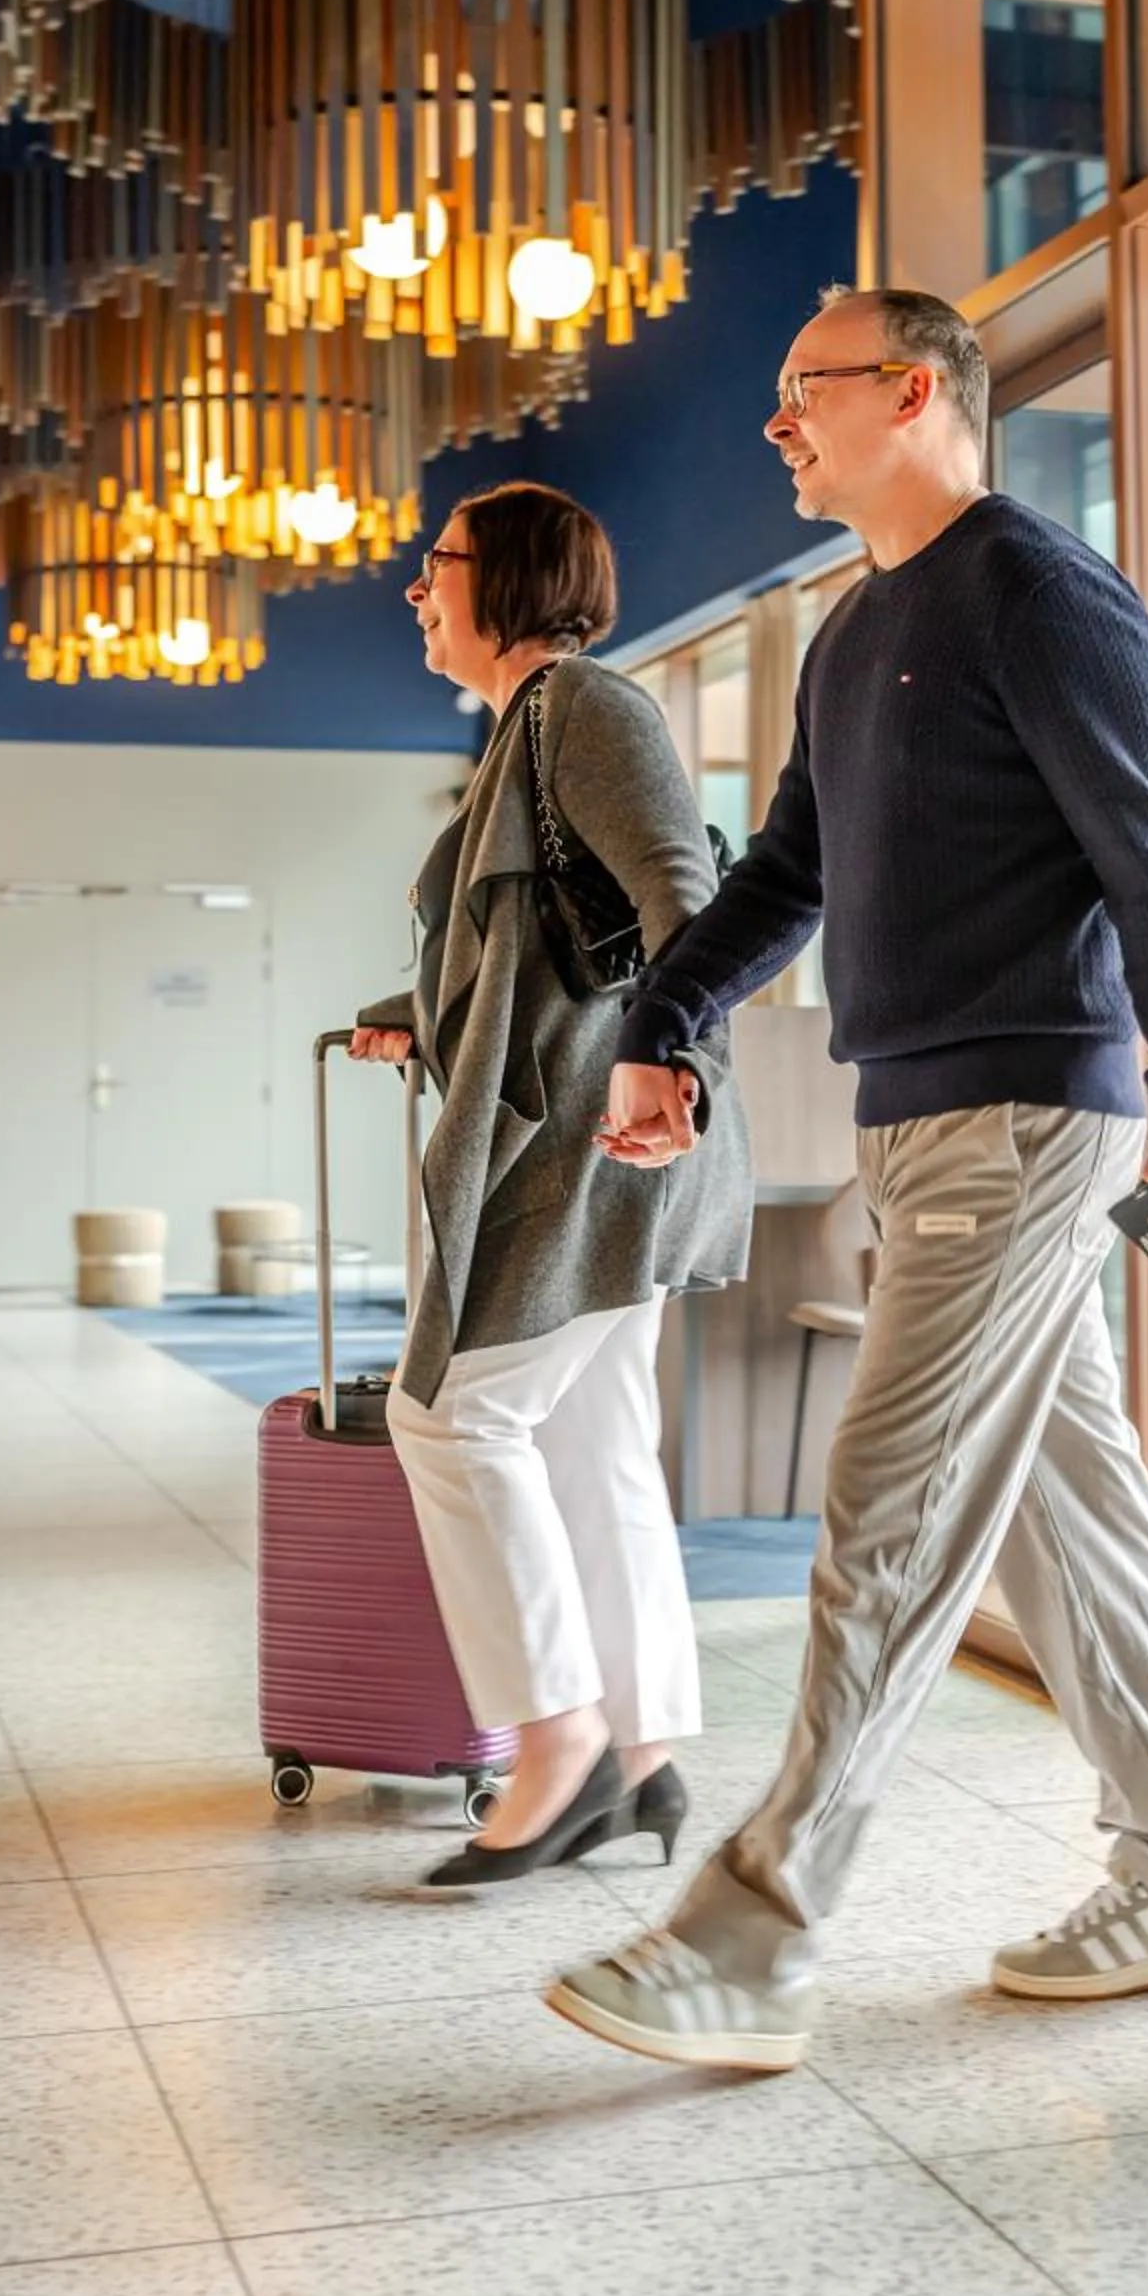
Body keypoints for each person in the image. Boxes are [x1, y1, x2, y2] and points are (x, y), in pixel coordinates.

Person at [546, 284, 1148, 2071]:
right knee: (1063, 1504)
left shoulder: (1036, 589)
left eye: (808, 390)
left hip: (1030, 1117)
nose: (779, 423)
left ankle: (755, 1926)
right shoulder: (855, 622)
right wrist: (668, 1017)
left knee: (890, 1500)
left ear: (924, 389)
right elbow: (790, 866)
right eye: (782, 394)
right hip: (930, 1120)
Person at [352, 480, 753, 1889]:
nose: (416, 588)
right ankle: (639, 1758)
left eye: (437, 564)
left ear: (508, 579)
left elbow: (682, 897)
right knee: (584, 1445)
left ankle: (561, 1738)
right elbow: (543, 954)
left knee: (449, 1420)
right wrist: (418, 1010)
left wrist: (671, 1064)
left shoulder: (585, 705)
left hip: (594, 1151)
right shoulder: (526, 730)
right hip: (586, 1141)